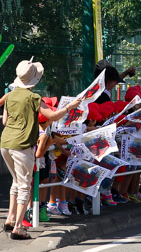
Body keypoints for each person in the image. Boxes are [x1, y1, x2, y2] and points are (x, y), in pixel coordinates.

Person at [1, 60, 81, 240]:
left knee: (16, 182)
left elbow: (5, 121)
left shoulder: (10, 96)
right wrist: (70, 107)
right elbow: (52, 116)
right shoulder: (33, 98)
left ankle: (11, 219)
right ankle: (18, 228)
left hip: (5, 143)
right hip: (22, 145)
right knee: (24, 186)